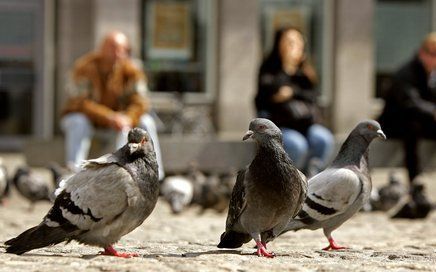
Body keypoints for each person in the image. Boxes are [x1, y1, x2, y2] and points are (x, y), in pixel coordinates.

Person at [61, 30, 165, 180]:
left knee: (146, 122)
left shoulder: (132, 71)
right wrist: (109, 117)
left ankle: (154, 176)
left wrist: (127, 118)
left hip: (120, 120)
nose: (117, 53)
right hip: (87, 119)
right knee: (78, 121)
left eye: (121, 49)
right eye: (112, 48)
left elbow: (141, 101)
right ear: (101, 48)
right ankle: (74, 174)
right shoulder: (84, 68)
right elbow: (79, 102)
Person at [255, 27, 334, 175]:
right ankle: (289, 180)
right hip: (281, 123)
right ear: (279, 44)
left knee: (324, 138)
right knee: (298, 145)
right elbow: (266, 96)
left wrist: (292, 92)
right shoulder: (269, 69)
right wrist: (286, 66)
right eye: (289, 42)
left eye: (297, 42)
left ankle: (311, 177)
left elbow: (313, 97)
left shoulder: (305, 71)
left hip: (306, 123)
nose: (293, 46)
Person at [379, 32, 436, 184]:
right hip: (397, 123)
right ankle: (415, 181)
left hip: (423, 120)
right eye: (433, 54)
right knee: (412, 127)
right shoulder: (406, 73)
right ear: (422, 53)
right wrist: (433, 112)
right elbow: (410, 103)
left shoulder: (432, 74)